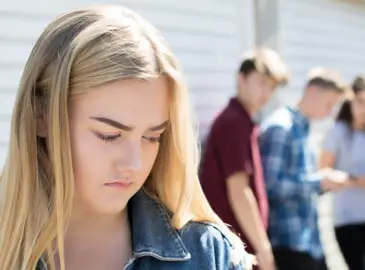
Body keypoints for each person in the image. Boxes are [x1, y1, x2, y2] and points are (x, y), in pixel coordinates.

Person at [0, 5, 252, 270]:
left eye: (153, 137)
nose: (134, 164)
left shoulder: (210, 255)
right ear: (41, 115)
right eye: (109, 135)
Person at [200, 48, 289, 270]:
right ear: (241, 78)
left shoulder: (242, 120)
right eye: (261, 83)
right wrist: (263, 248)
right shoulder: (234, 123)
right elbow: (239, 190)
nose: (267, 93)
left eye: (272, 86)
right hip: (234, 249)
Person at [259, 67, 348, 270]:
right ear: (312, 91)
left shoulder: (304, 127)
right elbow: (269, 185)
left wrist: (323, 183)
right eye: (329, 104)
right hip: (288, 242)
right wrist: (320, 181)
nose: (330, 112)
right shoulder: (281, 127)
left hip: (308, 240)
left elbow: (300, 181)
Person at [320, 74, 365, 270]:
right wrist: (359, 181)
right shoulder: (338, 132)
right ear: (350, 100)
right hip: (347, 218)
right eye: (361, 102)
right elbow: (324, 172)